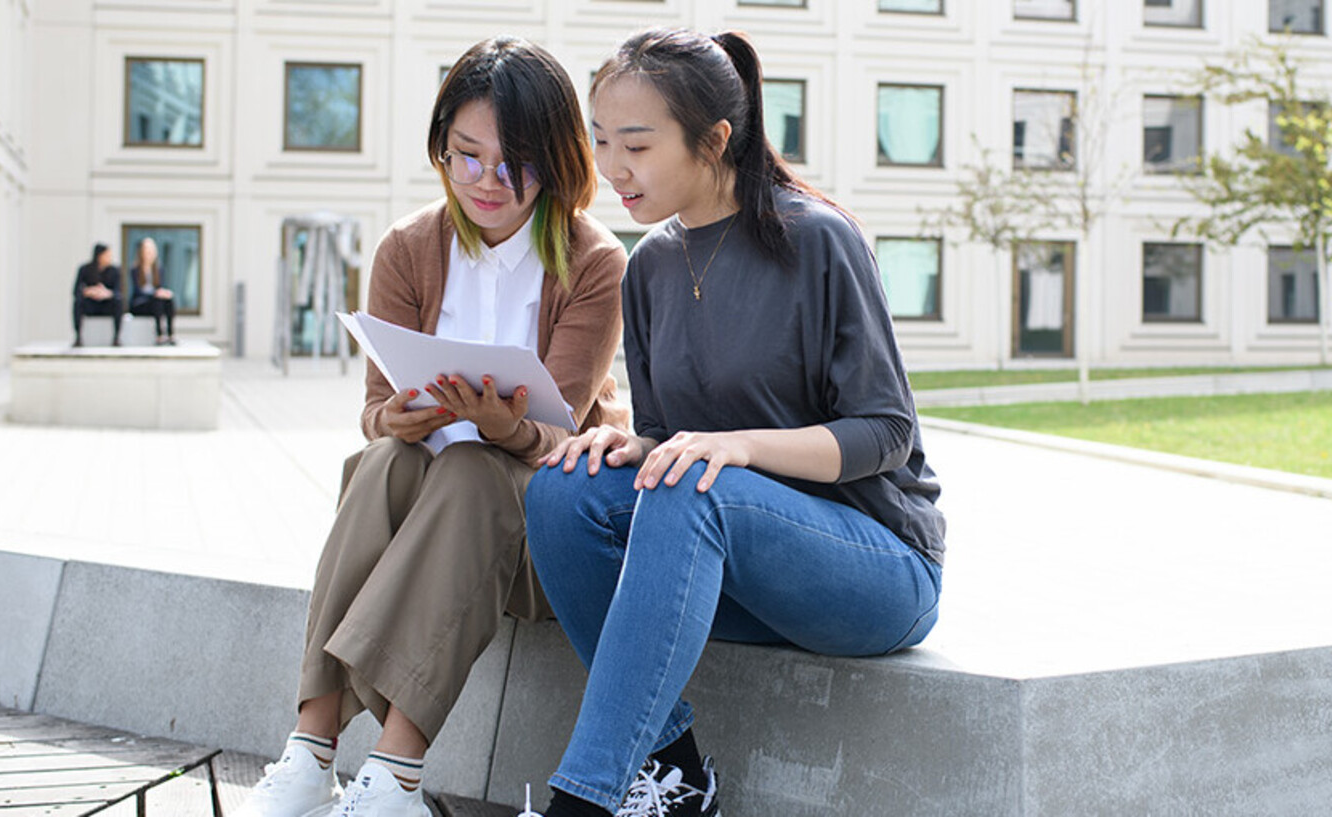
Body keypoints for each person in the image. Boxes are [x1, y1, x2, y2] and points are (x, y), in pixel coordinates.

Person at [522, 28, 946, 817]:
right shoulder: (646, 265)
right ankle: (674, 774)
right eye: (602, 140)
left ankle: (580, 802)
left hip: (875, 567)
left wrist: (738, 449)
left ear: (714, 138)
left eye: (637, 145)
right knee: (562, 488)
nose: (613, 167)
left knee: (698, 485)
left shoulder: (818, 239)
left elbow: (884, 431)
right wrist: (629, 445)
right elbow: (672, 437)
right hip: (732, 567)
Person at [232, 36, 628, 817]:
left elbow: (561, 439)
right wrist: (402, 414)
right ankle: (312, 753)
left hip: (534, 538)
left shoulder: (594, 262)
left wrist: (502, 427)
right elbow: (375, 407)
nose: (484, 181)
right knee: (378, 461)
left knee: (475, 467)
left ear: (555, 160)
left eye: (511, 161)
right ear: (441, 149)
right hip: (421, 526)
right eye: (464, 155)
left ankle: (393, 775)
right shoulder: (409, 248)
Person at [129, 237, 178, 346]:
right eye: (147, 251)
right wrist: (154, 294)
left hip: (155, 303)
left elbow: (161, 287)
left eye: (151, 251)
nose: (149, 254)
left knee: (169, 300)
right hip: (140, 303)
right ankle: (159, 334)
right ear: (142, 252)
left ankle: (170, 333)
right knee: (157, 300)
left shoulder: (158, 269)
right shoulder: (135, 269)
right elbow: (137, 291)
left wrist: (164, 293)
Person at [72, 243, 123, 347]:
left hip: (107, 304)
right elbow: (76, 290)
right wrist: (89, 291)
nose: (110, 258)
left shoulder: (115, 271)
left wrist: (107, 293)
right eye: (107, 255)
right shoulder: (85, 269)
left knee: (118, 302)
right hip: (90, 304)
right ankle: (78, 337)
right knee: (78, 302)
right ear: (99, 255)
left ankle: (116, 337)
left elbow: (118, 291)